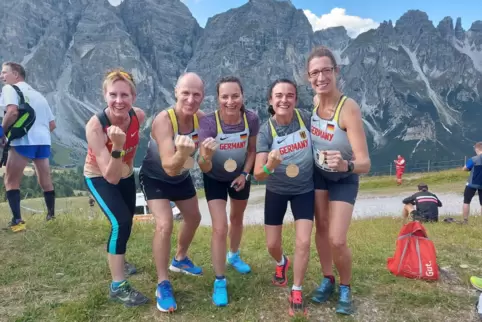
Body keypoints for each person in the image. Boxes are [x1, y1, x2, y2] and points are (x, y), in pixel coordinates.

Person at [307, 46, 371, 315]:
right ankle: (327, 278)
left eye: (326, 70)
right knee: (320, 229)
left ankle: (345, 286)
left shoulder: (349, 108)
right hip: (319, 176)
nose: (321, 77)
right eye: (314, 73)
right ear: (309, 77)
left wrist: (346, 164)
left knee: (337, 238)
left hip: (344, 177)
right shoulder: (314, 102)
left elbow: (365, 163)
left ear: (336, 71)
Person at [138, 72, 205, 313]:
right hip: (156, 176)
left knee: (195, 218)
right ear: (176, 92)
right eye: (185, 93)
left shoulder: (202, 120)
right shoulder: (163, 121)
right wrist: (184, 153)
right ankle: (162, 282)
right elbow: (168, 164)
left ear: (202, 97)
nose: (190, 99)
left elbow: (208, 155)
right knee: (165, 224)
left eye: (196, 94)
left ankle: (180, 258)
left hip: (182, 177)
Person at [84, 69, 149, 307]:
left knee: (127, 219)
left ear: (133, 97)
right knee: (119, 222)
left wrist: (126, 160)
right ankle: (118, 286)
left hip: (125, 174)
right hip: (99, 175)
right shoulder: (95, 126)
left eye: (125, 95)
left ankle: (118, 259)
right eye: (113, 95)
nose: (119, 101)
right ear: (105, 96)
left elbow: (131, 150)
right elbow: (109, 176)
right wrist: (118, 145)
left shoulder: (138, 116)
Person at [254, 79, 314, 317]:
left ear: (296, 100)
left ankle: (296, 289)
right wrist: (269, 166)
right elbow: (258, 174)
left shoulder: (305, 119)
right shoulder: (265, 131)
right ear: (271, 100)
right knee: (272, 245)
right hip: (276, 190)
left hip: (304, 190)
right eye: (279, 95)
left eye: (289, 95)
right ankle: (281, 263)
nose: (284, 100)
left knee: (303, 242)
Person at [197, 76, 259, 307]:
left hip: (240, 176)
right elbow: (202, 165)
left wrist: (245, 174)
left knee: (237, 218)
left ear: (242, 96)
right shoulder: (209, 123)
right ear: (218, 98)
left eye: (235, 96)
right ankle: (220, 281)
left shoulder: (251, 118)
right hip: (214, 177)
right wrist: (206, 155)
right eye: (225, 96)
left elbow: (252, 150)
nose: (230, 101)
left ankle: (233, 255)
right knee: (220, 227)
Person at [0, 62, 56, 232]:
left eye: (4, 72)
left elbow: (12, 111)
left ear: (16, 74)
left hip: (23, 140)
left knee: (10, 180)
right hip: (43, 141)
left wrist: (2, 132)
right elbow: (52, 124)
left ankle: (17, 222)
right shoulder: (39, 95)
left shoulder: (10, 89)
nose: (2, 76)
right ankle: (51, 217)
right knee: (45, 181)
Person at [462, 142, 482, 224]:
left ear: (476, 148)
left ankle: (465, 220)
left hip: (472, 183)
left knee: (466, 201)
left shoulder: (474, 159)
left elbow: (465, 168)